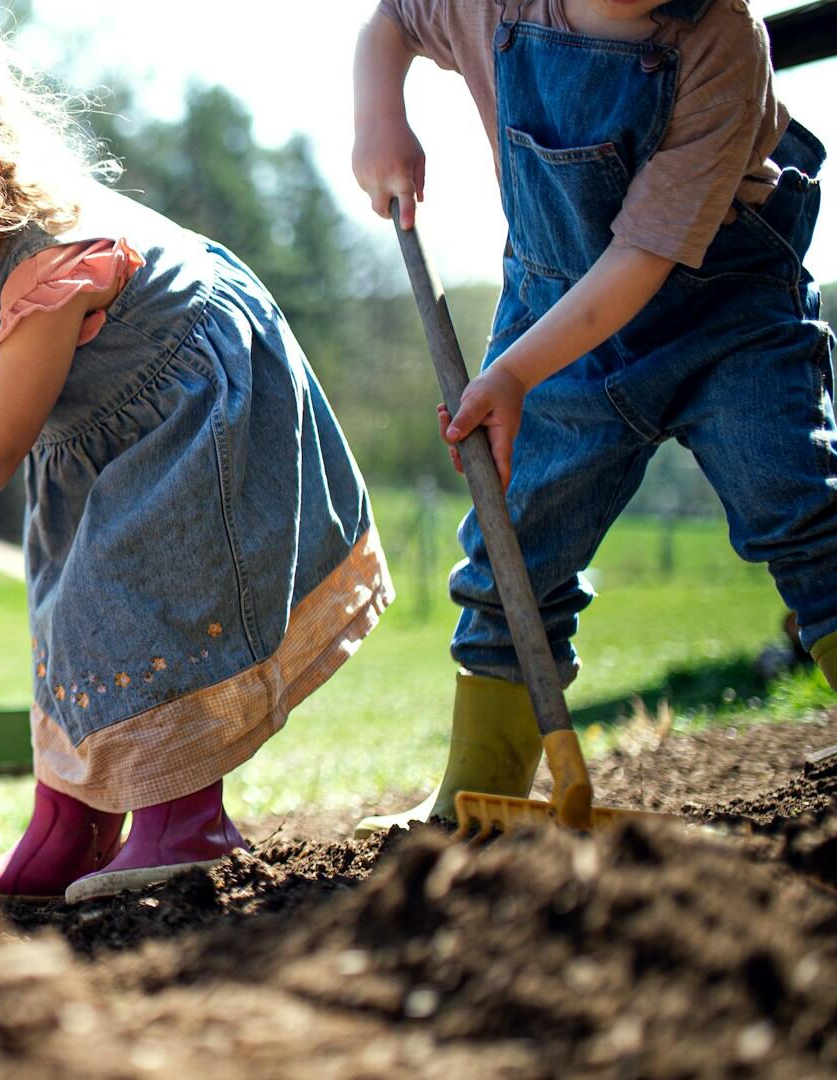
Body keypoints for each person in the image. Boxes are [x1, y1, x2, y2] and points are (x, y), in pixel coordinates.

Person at [0, 4, 392, 903]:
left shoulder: (51, 265)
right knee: (71, 615)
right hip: (98, 434)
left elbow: (0, 443)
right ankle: (69, 831)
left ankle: (184, 819)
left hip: (187, 404)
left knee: (144, 596)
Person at [350, 0, 836, 834]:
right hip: (557, 320)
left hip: (728, 318)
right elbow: (392, 19)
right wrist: (380, 118)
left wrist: (512, 373)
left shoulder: (720, 37)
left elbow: (645, 255)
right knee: (516, 547)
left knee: (799, 502)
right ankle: (473, 793)